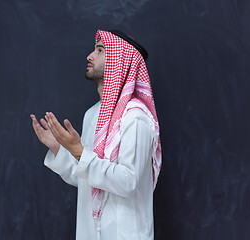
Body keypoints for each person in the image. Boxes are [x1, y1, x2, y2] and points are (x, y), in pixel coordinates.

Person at [30, 30, 162, 240]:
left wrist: (79, 151)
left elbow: (128, 182)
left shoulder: (135, 117)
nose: (89, 56)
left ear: (120, 61)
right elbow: (87, 177)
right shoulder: (92, 115)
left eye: (100, 50)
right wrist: (60, 149)